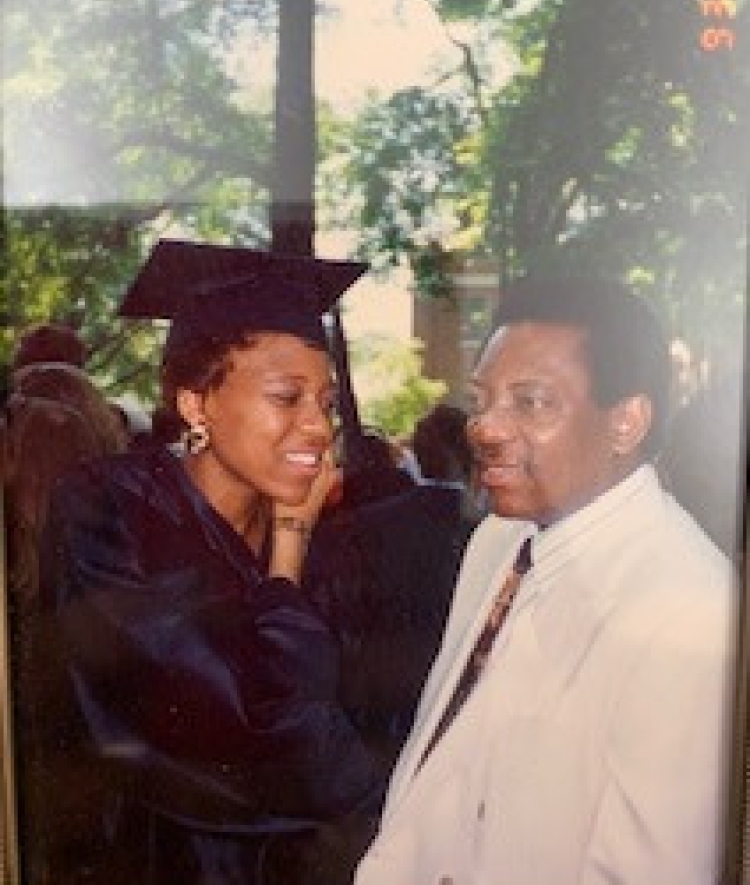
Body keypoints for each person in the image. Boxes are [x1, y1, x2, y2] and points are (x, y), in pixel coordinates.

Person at [354, 277, 738, 885]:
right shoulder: (501, 540)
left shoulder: (690, 611)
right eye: (483, 399)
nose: (484, 428)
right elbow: (444, 764)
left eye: (530, 402)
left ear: (626, 422)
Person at [32, 240, 383, 885]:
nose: (319, 427)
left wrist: (292, 536)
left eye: (327, 404)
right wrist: (286, 560)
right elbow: (246, 731)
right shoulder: (109, 511)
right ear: (196, 405)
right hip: (157, 862)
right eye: (287, 397)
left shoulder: (330, 537)